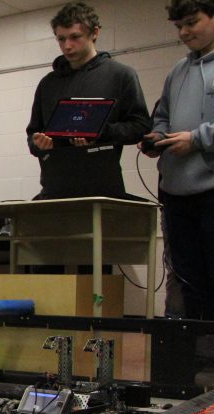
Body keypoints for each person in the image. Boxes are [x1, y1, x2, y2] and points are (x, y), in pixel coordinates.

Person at [27, 2, 151, 199]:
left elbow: (141, 127)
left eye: (75, 37)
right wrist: (37, 143)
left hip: (102, 189)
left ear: (94, 33)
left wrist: (100, 132)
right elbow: (33, 133)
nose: (67, 46)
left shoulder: (120, 75)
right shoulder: (47, 84)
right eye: (61, 39)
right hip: (54, 189)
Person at [143, 0, 214, 320]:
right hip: (176, 195)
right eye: (178, 26)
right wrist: (157, 138)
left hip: (210, 190)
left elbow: (196, 135)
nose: (184, 32)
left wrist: (196, 138)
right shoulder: (178, 71)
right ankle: (199, 360)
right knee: (189, 280)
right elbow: (163, 118)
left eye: (191, 22)